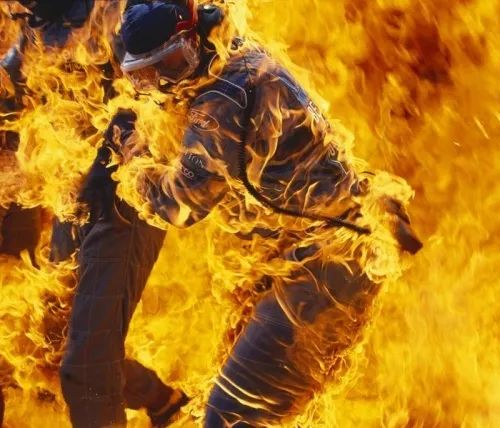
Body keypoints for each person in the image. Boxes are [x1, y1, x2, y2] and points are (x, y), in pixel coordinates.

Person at [113, 1, 422, 425]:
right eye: (148, 75)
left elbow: (178, 206)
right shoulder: (243, 56)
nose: (165, 83)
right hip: (331, 252)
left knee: (229, 417)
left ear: (195, 39)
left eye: (172, 64)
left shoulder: (221, 102)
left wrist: (133, 159)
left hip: (325, 266)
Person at [0, 2, 186, 426]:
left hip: (125, 198)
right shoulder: (38, 19)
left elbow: (161, 94)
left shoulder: (118, 13)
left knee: (87, 368)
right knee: (55, 340)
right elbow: (14, 82)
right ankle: (164, 402)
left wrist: (113, 157)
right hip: (77, 195)